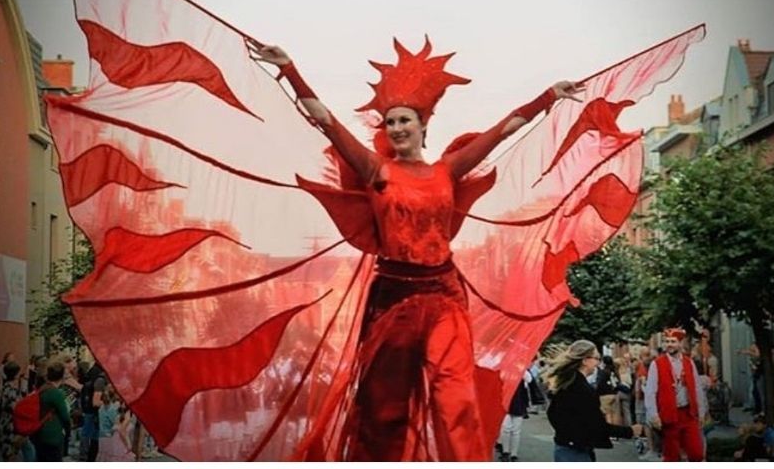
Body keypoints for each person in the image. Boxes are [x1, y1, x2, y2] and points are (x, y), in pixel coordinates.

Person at [247, 37, 583, 462]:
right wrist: (289, 69)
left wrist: (548, 96)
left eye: (404, 120)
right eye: (390, 123)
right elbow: (325, 121)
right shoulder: (376, 169)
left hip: (444, 295)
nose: (396, 128)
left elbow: (502, 131)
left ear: (423, 125)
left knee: (456, 399)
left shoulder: (447, 169)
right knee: (384, 411)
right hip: (393, 299)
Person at [546, 340, 643, 462]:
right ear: (585, 360)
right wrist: (629, 431)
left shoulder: (567, 383)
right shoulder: (581, 389)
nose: (598, 363)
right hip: (576, 450)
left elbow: (552, 414)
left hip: (566, 446)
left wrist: (565, 431)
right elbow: (597, 425)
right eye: (596, 358)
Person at [644, 328, 707, 462]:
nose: (669, 345)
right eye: (667, 341)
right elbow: (650, 391)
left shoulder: (689, 363)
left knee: (696, 453)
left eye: (673, 341)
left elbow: (697, 388)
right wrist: (653, 414)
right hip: (669, 414)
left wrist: (701, 412)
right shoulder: (657, 364)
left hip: (688, 413)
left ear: (680, 343)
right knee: (671, 455)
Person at [30, 362, 72, 462]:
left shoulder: (42, 389)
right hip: (53, 435)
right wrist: (68, 432)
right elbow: (65, 417)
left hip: (38, 433)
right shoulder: (56, 393)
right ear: (61, 377)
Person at [498, 370, 531, 462]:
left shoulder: (522, 371)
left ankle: (514, 454)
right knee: (506, 429)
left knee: (516, 430)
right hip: (506, 402)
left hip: (518, 402)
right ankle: (505, 452)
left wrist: (522, 370)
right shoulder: (504, 370)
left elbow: (529, 379)